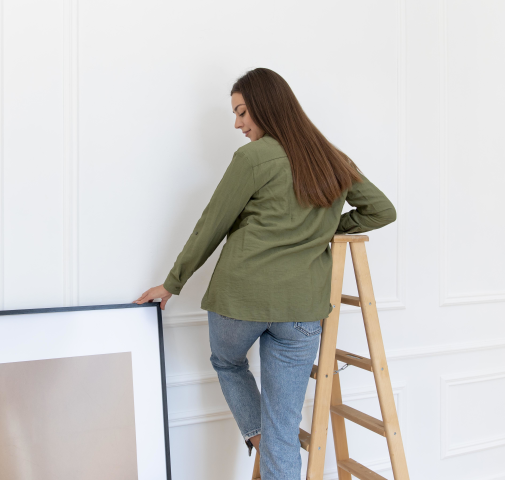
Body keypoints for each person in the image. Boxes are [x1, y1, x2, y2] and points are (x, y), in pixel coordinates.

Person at [132, 67, 396, 480]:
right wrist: (325, 230)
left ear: (265, 106)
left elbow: (212, 224)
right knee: (284, 429)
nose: (237, 124)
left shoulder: (253, 158)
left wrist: (172, 284)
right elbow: (382, 210)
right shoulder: (333, 158)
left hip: (241, 301)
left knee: (228, 363)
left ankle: (257, 435)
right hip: (303, 312)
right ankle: (269, 438)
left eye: (241, 112)